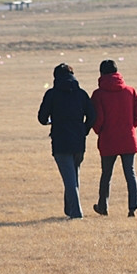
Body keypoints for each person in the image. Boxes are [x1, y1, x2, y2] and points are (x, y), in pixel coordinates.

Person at [37, 63, 95, 220]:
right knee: (73, 176)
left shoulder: (52, 94)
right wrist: (84, 130)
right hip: (78, 141)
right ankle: (69, 209)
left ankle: (76, 213)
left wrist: (51, 121)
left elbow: (42, 118)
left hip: (61, 141)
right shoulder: (81, 94)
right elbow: (92, 116)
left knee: (70, 179)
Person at [91, 59, 137, 217]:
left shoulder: (98, 94)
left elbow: (98, 119)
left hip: (108, 139)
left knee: (106, 175)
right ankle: (132, 208)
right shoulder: (130, 91)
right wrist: (129, 127)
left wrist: (100, 131)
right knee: (130, 173)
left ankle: (103, 206)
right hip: (128, 138)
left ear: (101, 73)